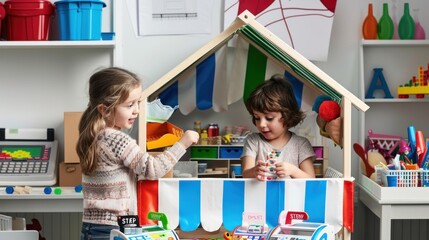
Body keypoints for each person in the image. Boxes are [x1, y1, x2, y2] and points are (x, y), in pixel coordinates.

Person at [77, 67, 199, 240]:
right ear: (104, 110)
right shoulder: (117, 139)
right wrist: (183, 143)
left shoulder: (94, 136)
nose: (137, 110)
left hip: (91, 226)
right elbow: (153, 169)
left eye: (138, 103)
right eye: (129, 105)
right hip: (114, 227)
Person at [241, 74, 316, 180]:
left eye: (269, 118)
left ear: (287, 116)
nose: (261, 124)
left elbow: (311, 179)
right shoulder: (253, 141)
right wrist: (254, 171)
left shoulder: (301, 144)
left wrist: (293, 170)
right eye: (257, 117)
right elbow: (245, 173)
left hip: (291, 196)